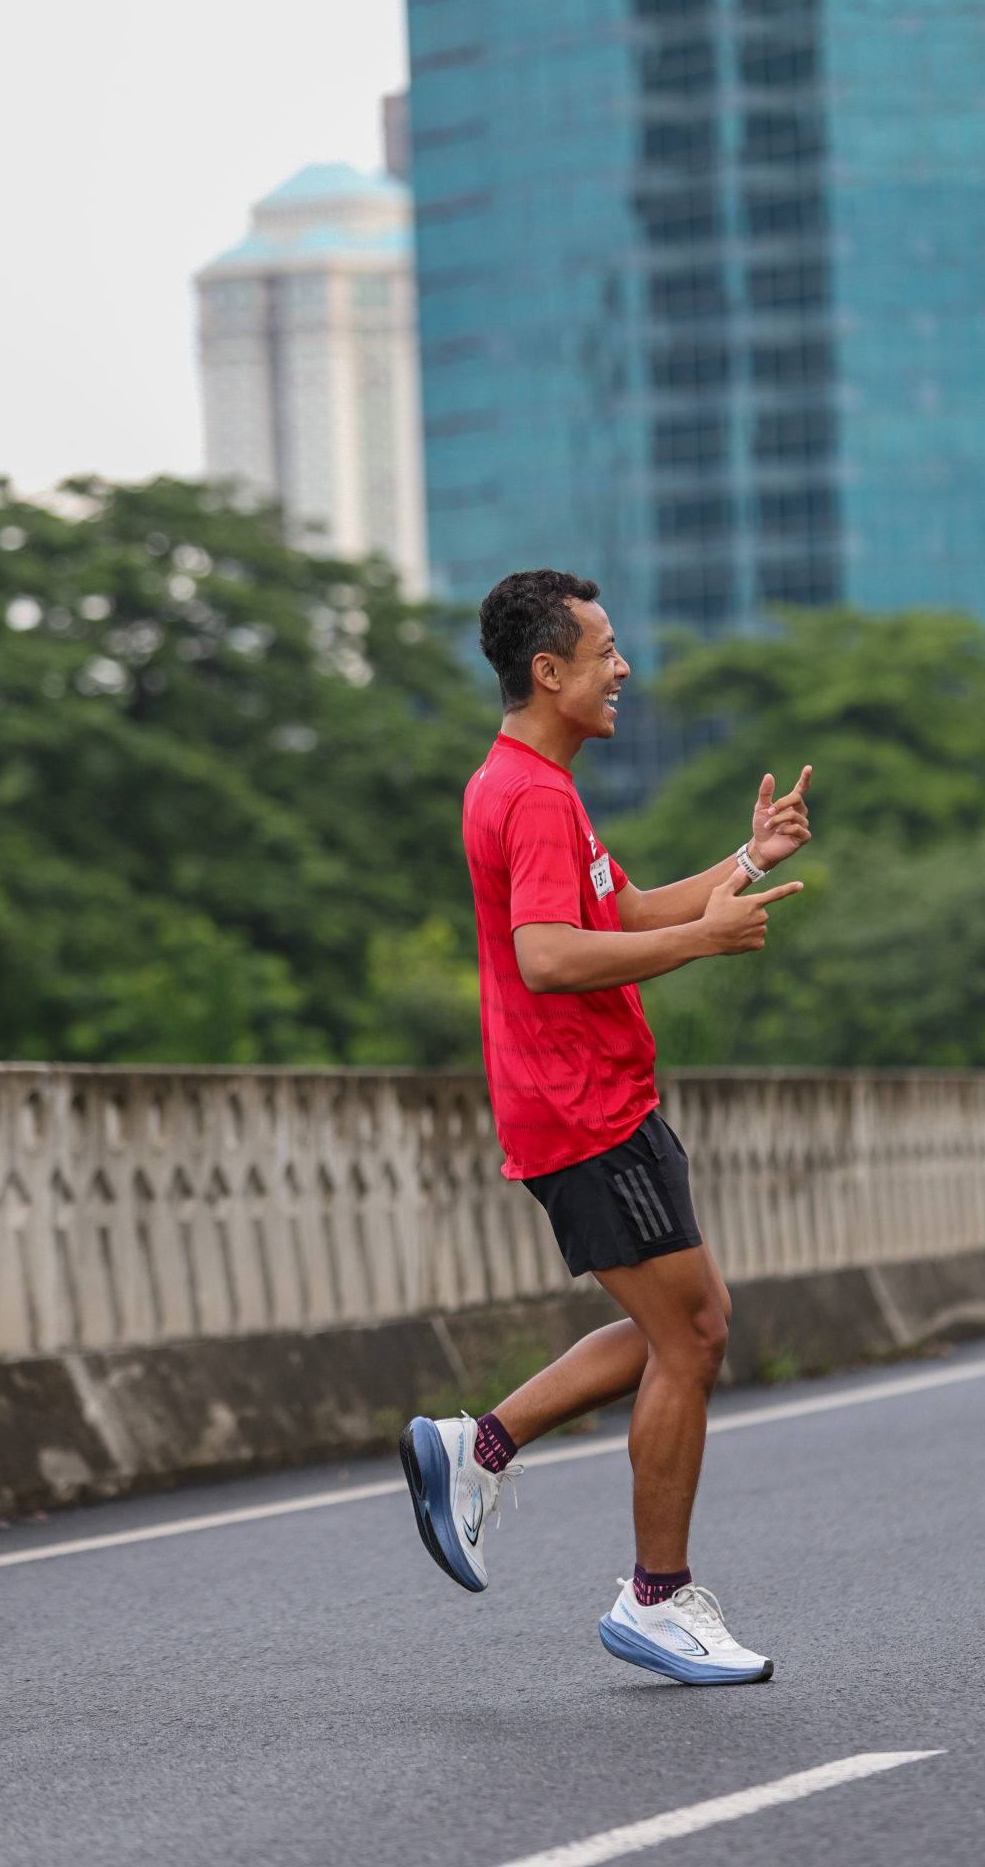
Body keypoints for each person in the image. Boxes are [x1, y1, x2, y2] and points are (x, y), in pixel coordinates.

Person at [399, 569, 811, 1684]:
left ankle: (476, 1448)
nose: (622, 668)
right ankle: (655, 1599)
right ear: (548, 671)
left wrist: (744, 864)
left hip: (596, 1097)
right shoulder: (532, 797)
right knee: (691, 1339)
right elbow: (547, 956)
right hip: (580, 1106)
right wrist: (704, 942)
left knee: (692, 1323)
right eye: (603, 652)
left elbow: (615, 912)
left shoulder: (530, 782)